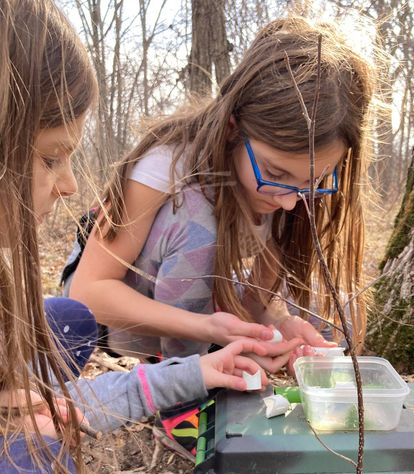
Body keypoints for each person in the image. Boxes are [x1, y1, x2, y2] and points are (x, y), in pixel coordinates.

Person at [0, 0, 271, 474]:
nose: (69, 185)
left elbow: (63, 410)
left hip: (127, 347)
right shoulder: (170, 176)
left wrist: (200, 370)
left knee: (62, 327)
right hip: (130, 320)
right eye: (50, 158)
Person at [63, 15, 378, 369]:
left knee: (332, 314)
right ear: (232, 130)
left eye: (314, 181)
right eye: (275, 172)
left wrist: (277, 324)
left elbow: (258, 300)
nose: (289, 200)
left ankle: (208, 367)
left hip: (200, 310)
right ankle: (186, 394)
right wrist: (208, 331)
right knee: (197, 218)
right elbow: (88, 292)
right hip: (112, 317)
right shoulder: (167, 163)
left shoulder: (294, 190)